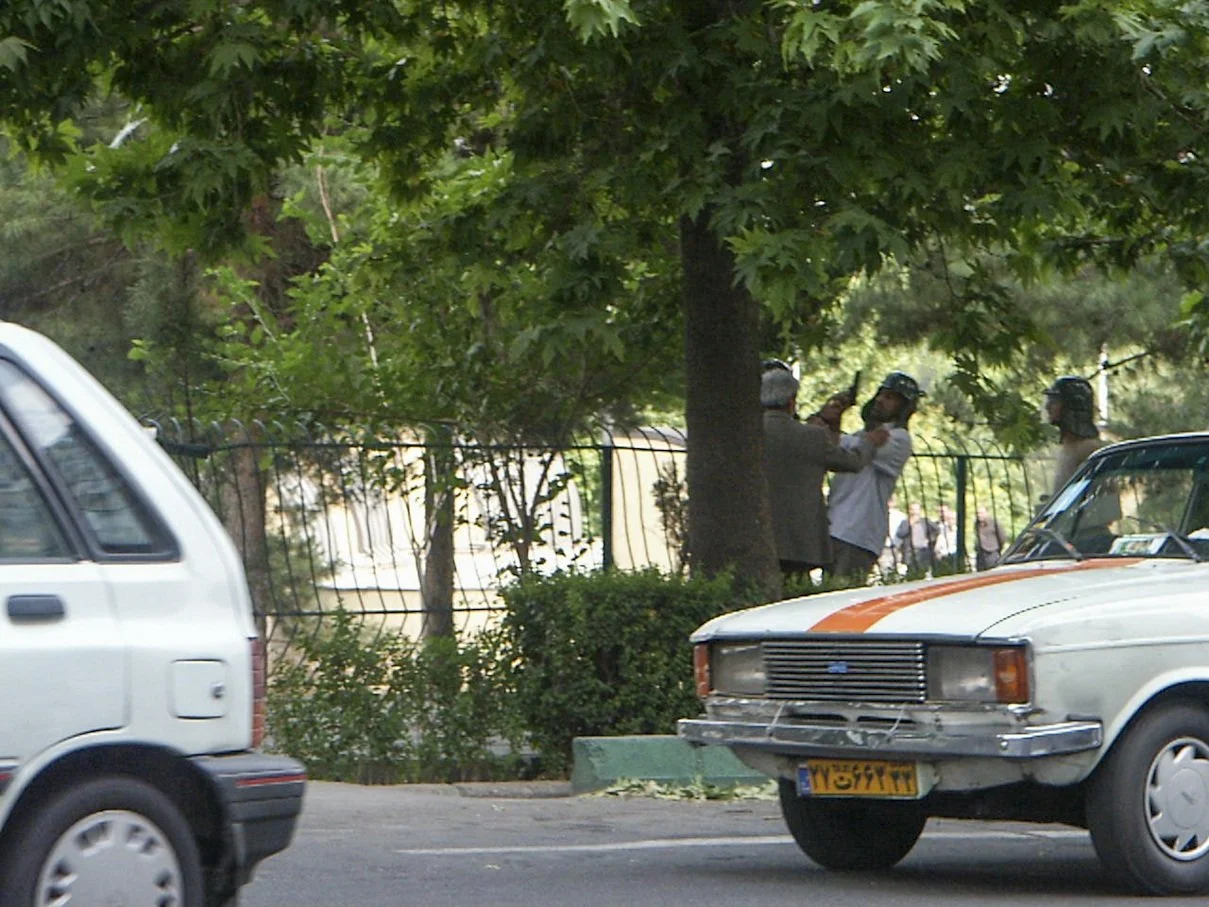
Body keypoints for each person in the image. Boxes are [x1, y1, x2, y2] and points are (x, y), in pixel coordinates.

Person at [760, 366, 888, 580]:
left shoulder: (746, 434)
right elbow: (853, 462)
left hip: (756, 536)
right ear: (792, 401)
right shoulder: (812, 437)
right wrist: (869, 442)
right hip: (799, 541)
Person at [827, 371, 922, 582]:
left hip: (857, 533)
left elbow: (850, 446)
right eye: (880, 394)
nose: (879, 400)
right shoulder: (865, 434)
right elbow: (841, 447)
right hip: (835, 527)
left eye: (889, 398)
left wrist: (833, 435)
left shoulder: (899, 439)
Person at [1045, 375, 1102, 496]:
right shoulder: (1069, 448)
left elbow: (1105, 504)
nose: (1048, 407)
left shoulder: (1088, 450)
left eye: (1055, 401)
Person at [895, 501, 938, 575]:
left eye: (916, 509)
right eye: (912, 509)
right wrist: (910, 525)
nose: (914, 512)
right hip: (910, 552)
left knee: (924, 571)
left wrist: (930, 539)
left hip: (923, 551)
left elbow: (937, 530)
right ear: (909, 510)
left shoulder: (925, 521)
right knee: (911, 572)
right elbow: (900, 534)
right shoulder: (905, 522)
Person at [974, 505, 1005, 570]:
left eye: (981, 513)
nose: (979, 515)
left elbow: (1002, 537)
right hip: (980, 554)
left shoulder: (994, 523)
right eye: (977, 513)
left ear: (986, 513)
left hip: (991, 553)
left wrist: (997, 549)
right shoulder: (976, 524)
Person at [932, 502, 958, 573]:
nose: (941, 514)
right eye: (939, 512)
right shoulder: (935, 526)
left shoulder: (957, 529)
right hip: (940, 557)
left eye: (943, 511)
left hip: (954, 556)